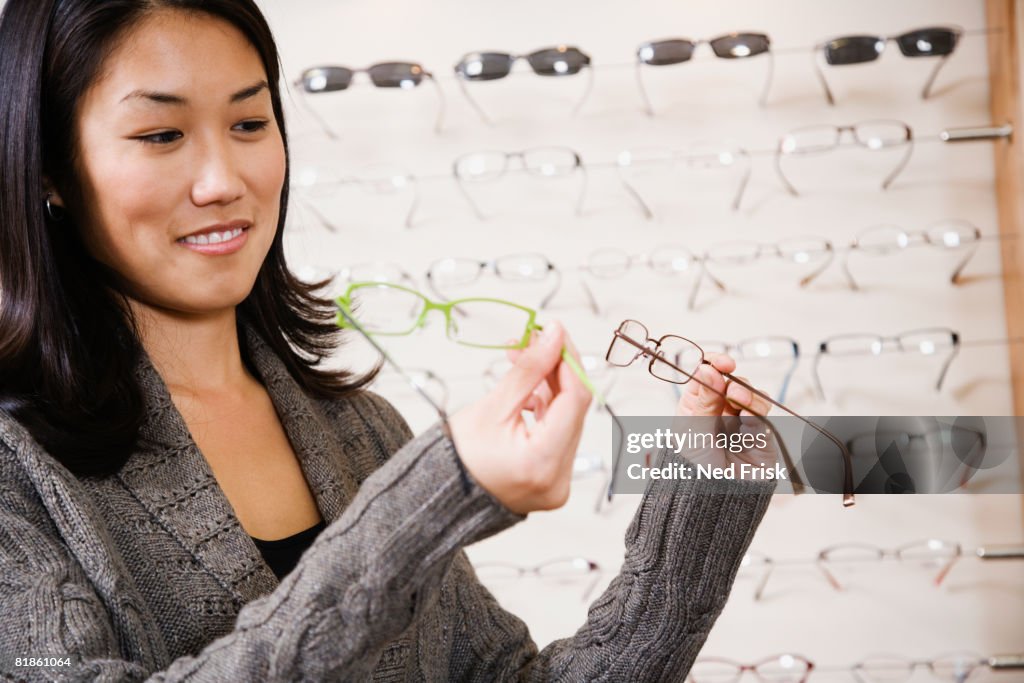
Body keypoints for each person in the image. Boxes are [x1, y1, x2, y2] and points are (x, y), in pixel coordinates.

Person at [0, 1, 775, 680]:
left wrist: (701, 483)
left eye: (249, 122)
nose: (223, 180)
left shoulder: (361, 429)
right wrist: (436, 498)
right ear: (49, 170)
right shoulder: (15, 466)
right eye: (162, 133)